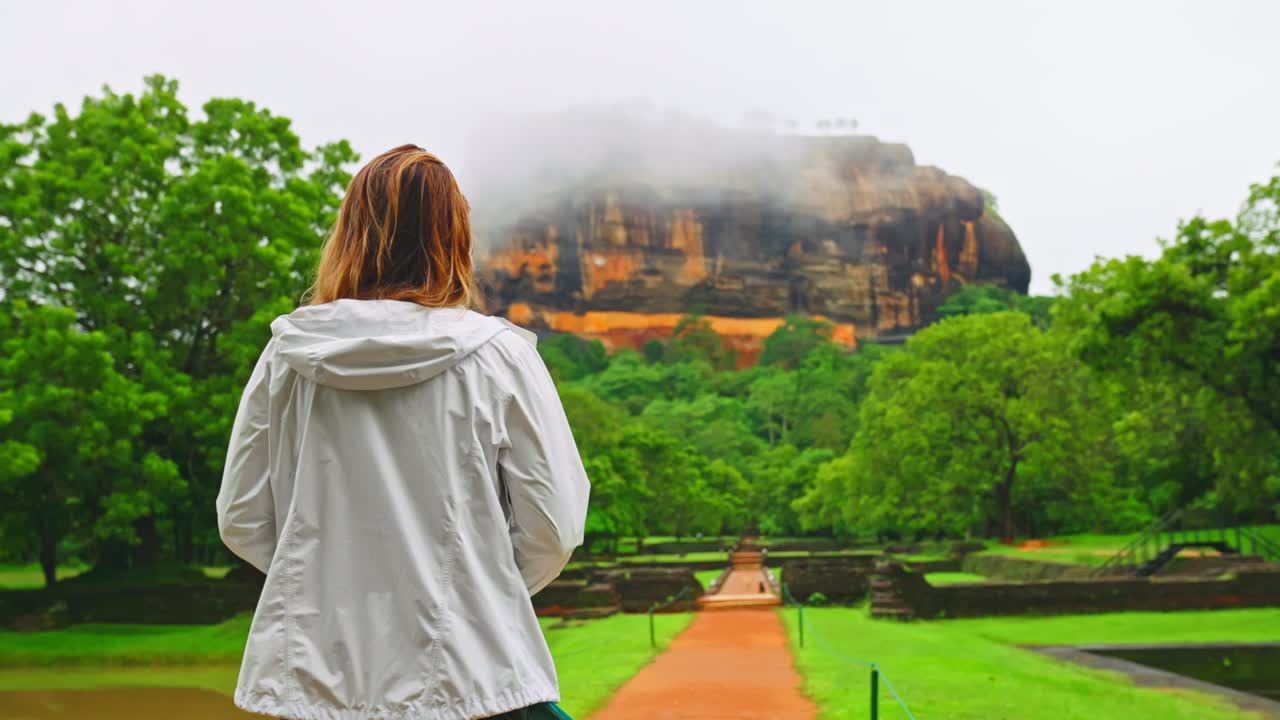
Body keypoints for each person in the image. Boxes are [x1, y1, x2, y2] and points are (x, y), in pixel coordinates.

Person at [216, 144, 589, 720]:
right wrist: (472, 594)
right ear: (454, 239)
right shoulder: (500, 358)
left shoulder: (285, 359)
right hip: (471, 681)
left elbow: (242, 517)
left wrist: (332, 589)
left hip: (316, 684)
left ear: (350, 234)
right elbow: (553, 530)